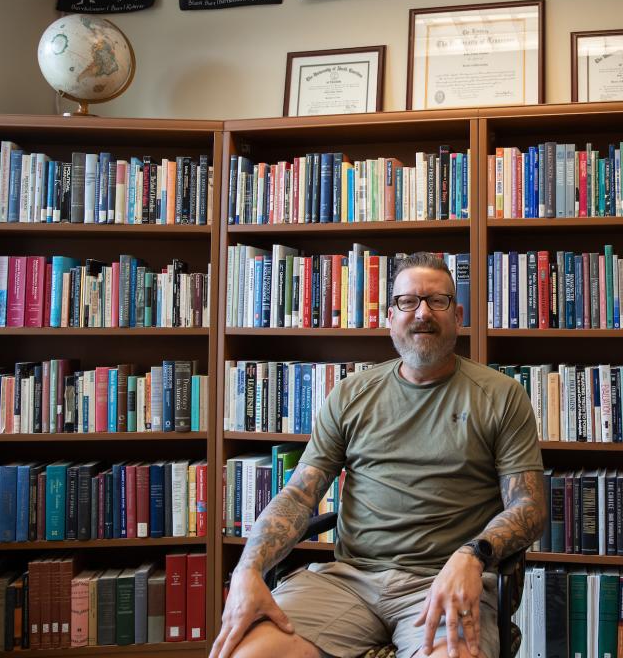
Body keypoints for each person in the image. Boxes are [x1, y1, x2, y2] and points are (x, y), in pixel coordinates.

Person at [211, 252, 546, 658]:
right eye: (408, 302)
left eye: (437, 301)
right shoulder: (352, 395)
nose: (422, 313)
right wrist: (249, 569)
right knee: (246, 654)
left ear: (458, 315)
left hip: (444, 581)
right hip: (348, 581)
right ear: (390, 316)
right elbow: (299, 495)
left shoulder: (501, 395)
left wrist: (474, 555)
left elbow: (529, 505)